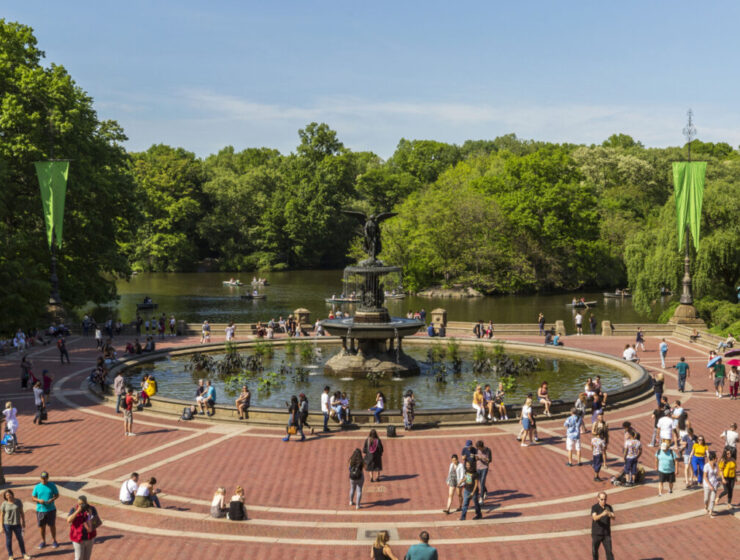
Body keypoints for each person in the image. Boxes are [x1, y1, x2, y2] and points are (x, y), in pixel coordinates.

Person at [32, 471, 59, 549]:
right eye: (42, 478)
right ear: (40, 478)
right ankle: (43, 541)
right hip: (40, 511)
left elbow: (57, 495)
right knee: (42, 527)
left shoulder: (52, 485)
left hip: (51, 510)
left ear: (48, 478)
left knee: (52, 526)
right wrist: (39, 500)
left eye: (45, 478)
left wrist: (52, 499)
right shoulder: (37, 487)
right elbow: (33, 497)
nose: (44, 479)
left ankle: (54, 541)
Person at [2, 489, 30, 560]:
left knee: (20, 539)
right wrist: (1, 526)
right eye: (7, 495)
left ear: (12, 494)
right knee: (9, 540)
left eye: (9, 494)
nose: (8, 496)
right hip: (7, 525)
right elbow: (1, 515)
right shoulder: (4, 504)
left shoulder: (18, 501)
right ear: (5, 497)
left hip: (17, 524)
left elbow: (21, 512)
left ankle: (24, 554)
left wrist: (23, 521)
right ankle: (10, 555)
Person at [67, 495, 97, 560]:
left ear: (86, 502)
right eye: (79, 504)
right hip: (78, 538)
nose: (81, 506)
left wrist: (90, 514)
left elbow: (95, 523)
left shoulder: (92, 509)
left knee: (87, 558)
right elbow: (68, 520)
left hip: (89, 538)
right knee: (79, 558)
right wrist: (77, 511)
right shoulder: (74, 509)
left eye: (83, 504)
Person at [591, 492, 615, 560]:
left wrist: (609, 514)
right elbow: (594, 518)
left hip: (606, 534)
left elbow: (613, 517)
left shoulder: (609, 507)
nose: (603, 501)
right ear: (598, 499)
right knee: (594, 551)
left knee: (609, 552)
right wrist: (602, 514)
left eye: (605, 499)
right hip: (596, 534)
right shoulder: (594, 507)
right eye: (602, 499)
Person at [703, 451, 720, 517]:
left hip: (714, 484)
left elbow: (715, 475)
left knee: (712, 499)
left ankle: (710, 511)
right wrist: (710, 486)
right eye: (716, 458)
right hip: (707, 485)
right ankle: (706, 506)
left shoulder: (716, 465)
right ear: (713, 458)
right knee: (706, 499)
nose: (717, 459)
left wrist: (717, 480)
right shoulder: (706, 466)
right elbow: (705, 477)